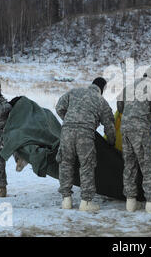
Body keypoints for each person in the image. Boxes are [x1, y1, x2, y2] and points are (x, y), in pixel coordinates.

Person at [117, 66, 151, 213]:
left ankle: (131, 202)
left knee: (129, 165)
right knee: (147, 164)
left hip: (125, 129)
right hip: (141, 130)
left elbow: (120, 106)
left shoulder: (129, 86)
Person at [55, 77, 115, 212]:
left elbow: (59, 107)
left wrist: (69, 121)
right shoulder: (101, 101)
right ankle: (86, 202)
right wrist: (111, 143)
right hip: (85, 134)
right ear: (102, 89)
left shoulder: (73, 92)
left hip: (66, 133)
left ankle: (66, 200)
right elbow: (109, 125)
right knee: (86, 166)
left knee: (65, 163)